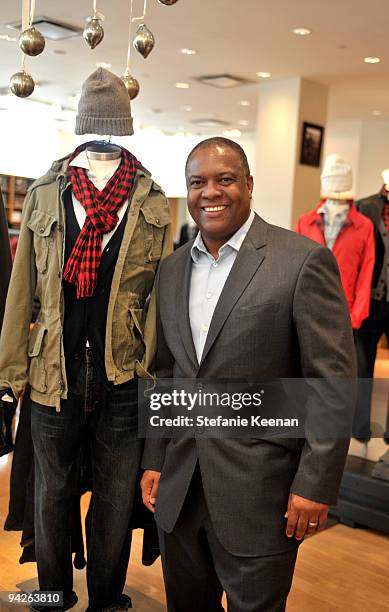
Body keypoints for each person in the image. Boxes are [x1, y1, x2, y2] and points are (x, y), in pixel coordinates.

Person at [141, 137, 356, 612]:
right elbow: (165, 372)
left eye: (224, 179)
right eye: (198, 182)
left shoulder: (300, 261)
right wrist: (155, 457)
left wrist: (314, 484)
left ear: (249, 185)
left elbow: (332, 382)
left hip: (261, 496)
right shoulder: (171, 270)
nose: (210, 192)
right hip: (179, 491)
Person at [0, 69, 172, 612]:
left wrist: (158, 374)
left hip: (124, 374)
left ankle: (105, 596)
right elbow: (22, 286)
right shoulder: (46, 192)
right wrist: (9, 376)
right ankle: (54, 593)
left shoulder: (151, 196)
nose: (103, 136)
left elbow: (160, 295)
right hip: (53, 368)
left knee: (117, 497)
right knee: (52, 493)